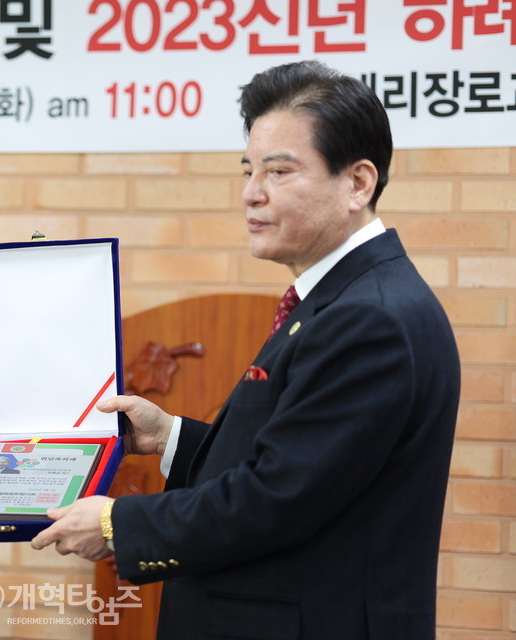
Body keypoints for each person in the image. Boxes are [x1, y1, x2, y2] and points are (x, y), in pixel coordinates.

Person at [32, 60, 460, 638]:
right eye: (249, 170)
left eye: (279, 172)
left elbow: (279, 496)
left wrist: (116, 524)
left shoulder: (370, 318)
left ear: (358, 183)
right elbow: (294, 458)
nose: (252, 195)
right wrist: (169, 438)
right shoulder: (341, 297)